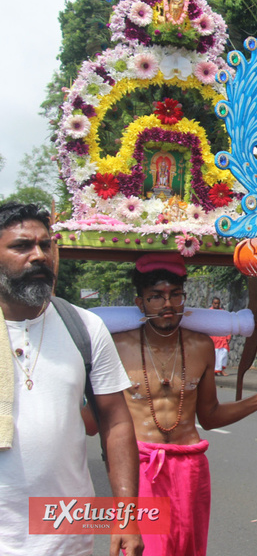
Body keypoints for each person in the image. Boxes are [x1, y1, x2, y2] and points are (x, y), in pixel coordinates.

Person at [0, 202, 143, 556]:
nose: (39, 256)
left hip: (65, 538)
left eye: (45, 245)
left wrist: (126, 514)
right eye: (21, 246)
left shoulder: (85, 327)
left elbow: (116, 422)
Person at [112, 252, 257, 556]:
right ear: (140, 303)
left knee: (189, 549)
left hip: (190, 468)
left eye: (175, 295)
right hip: (141, 466)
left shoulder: (201, 346)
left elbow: (209, 416)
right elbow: (100, 419)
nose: (168, 304)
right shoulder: (118, 347)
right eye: (156, 296)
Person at [209, 297, 230, 376]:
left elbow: (227, 324)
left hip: (222, 337)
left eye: (218, 303)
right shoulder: (208, 312)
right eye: (215, 303)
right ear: (212, 303)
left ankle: (221, 370)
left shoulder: (223, 313)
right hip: (212, 337)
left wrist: (228, 336)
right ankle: (214, 370)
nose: (216, 305)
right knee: (214, 354)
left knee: (224, 353)